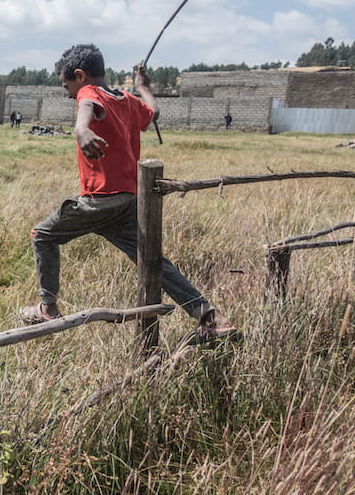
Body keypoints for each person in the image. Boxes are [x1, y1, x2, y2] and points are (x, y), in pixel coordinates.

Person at [19, 44, 235, 338]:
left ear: (80, 76)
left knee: (42, 235)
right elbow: (153, 113)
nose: (66, 92)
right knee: (153, 262)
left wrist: (81, 129)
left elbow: (85, 105)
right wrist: (143, 87)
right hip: (130, 202)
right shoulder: (129, 100)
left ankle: (48, 309)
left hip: (100, 202)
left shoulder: (89, 94)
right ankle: (210, 316)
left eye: (66, 84)